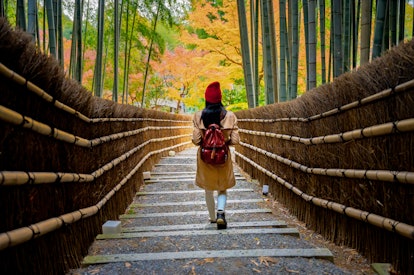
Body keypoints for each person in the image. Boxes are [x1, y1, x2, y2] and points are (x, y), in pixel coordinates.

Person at [192, 81, 240, 230]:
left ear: (206, 99)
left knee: (208, 187)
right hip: (223, 157)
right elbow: (236, 141)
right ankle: (221, 212)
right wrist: (223, 142)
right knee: (222, 187)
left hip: (205, 158)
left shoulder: (198, 116)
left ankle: (212, 217)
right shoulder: (230, 116)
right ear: (220, 99)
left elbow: (195, 140)